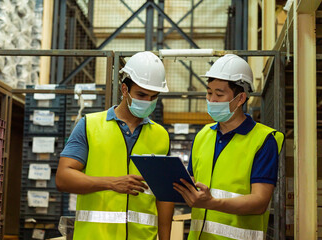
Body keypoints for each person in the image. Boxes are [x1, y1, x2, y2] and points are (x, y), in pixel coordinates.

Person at [56, 51, 174, 240]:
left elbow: (164, 195)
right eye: (141, 94)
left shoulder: (161, 136)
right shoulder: (89, 125)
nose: (147, 102)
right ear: (124, 89)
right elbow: (63, 178)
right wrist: (111, 183)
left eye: (154, 97)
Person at [173, 54, 284, 240]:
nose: (212, 100)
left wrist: (212, 203)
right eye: (209, 93)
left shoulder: (263, 140)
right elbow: (192, 182)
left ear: (240, 98)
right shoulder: (203, 136)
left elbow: (259, 202)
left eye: (219, 94)